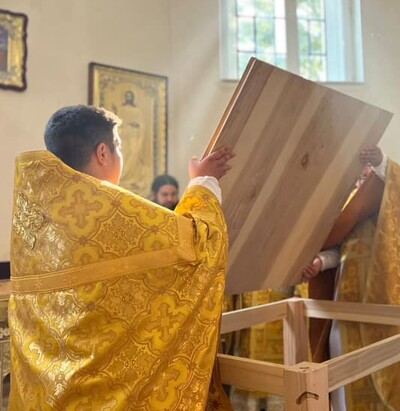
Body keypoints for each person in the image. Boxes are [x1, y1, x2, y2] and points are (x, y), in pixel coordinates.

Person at [10, 105, 236, 410]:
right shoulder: (114, 217)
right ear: (103, 152)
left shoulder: (36, 218)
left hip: (50, 391)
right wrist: (202, 183)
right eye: (118, 146)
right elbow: (199, 244)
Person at [302, 146, 400, 411]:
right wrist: (319, 262)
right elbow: (341, 250)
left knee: (389, 374)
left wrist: (382, 163)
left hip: (385, 303)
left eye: (366, 174)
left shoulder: (393, 196)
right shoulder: (348, 206)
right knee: (343, 378)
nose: (361, 179)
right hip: (345, 307)